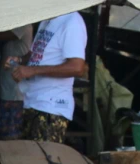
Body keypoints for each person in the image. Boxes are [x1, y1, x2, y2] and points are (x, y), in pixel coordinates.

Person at [8, 13, 87, 143]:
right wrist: (19, 60)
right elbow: (37, 53)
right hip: (33, 102)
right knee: (30, 159)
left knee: (42, 160)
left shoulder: (73, 22)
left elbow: (77, 67)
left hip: (51, 107)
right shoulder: (47, 20)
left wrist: (32, 71)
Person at [0, 25, 33, 139]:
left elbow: (1, 35)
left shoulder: (24, 24)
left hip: (15, 90)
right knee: (4, 128)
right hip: (9, 85)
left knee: (12, 132)